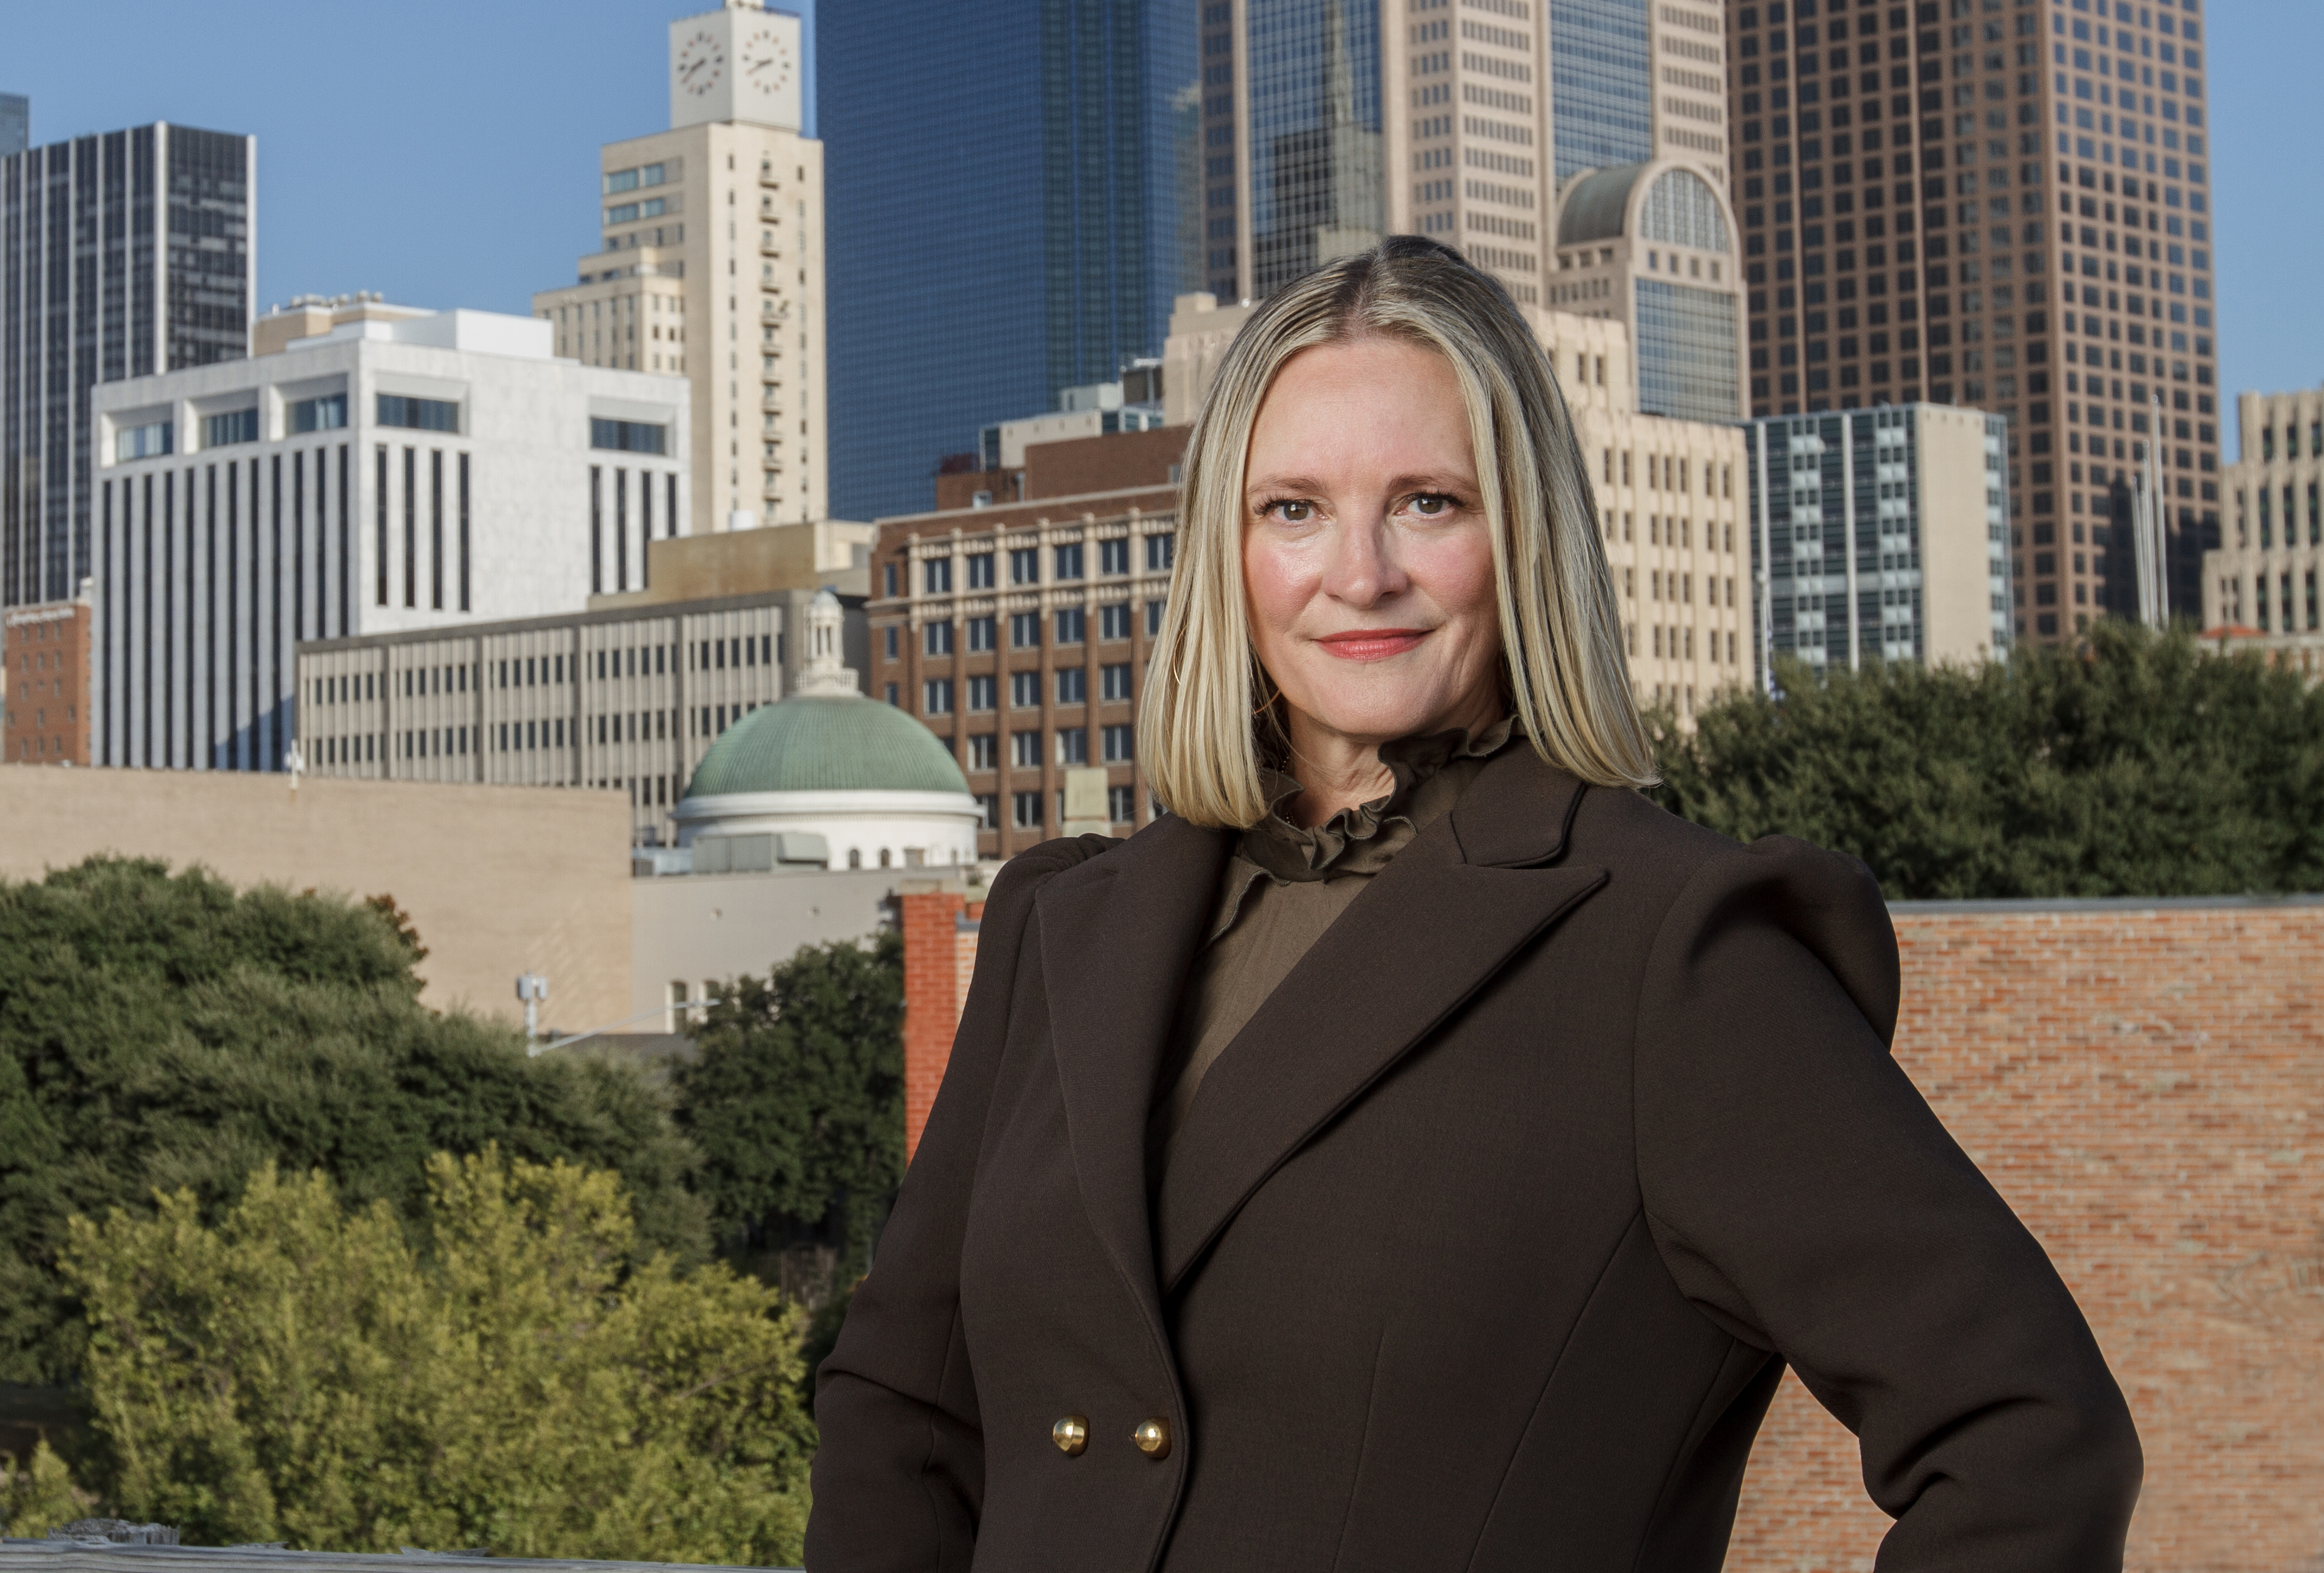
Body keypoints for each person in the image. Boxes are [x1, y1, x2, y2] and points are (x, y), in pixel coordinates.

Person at [807, 238, 2136, 1571]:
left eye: (1431, 502)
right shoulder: (1065, 926)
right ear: (1226, 547)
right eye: (1293, 510)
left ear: (1525, 532)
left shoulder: (1675, 951)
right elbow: (904, 1415)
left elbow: (2032, 1442)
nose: (1362, 572)